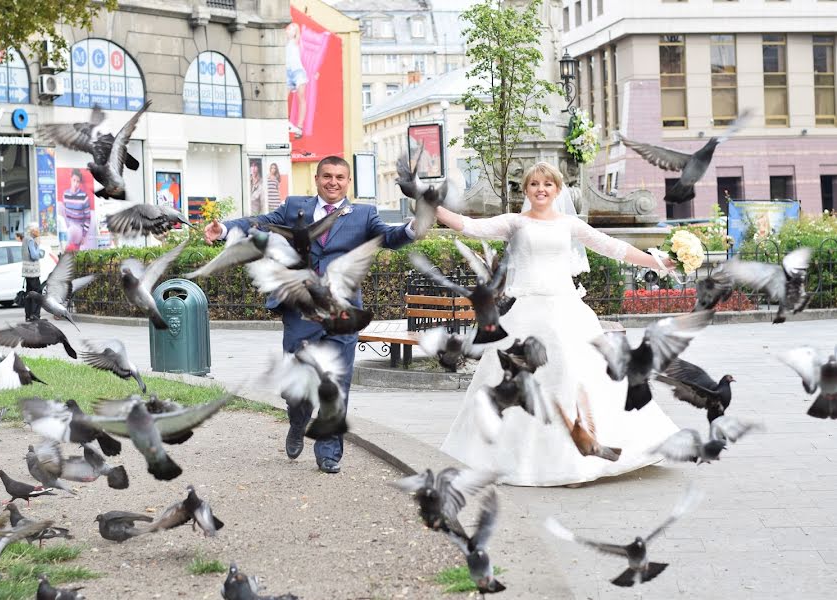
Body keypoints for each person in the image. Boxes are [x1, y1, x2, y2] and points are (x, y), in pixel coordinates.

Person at [435, 161, 680, 487]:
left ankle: (579, 459)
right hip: (528, 313)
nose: (541, 190)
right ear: (526, 190)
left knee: (576, 376)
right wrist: (431, 206)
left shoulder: (569, 224)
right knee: (514, 380)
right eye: (534, 184)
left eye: (547, 185)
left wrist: (655, 261)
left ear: (557, 189)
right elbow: (469, 226)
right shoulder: (515, 223)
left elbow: (612, 247)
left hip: (566, 310)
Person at [204, 156, 415, 474]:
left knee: (338, 382)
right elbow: (259, 222)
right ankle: (298, 418)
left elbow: (390, 237)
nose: (333, 182)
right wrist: (224, 230)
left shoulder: (364, 214)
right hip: (300, 308)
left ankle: (328, 452)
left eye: (340, 177)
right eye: (327, 176)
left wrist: (413, 227)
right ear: (316, 179)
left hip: (342, 312)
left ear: (348, 182)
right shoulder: (293, 207)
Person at [285, 22, 308, 139]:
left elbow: (297, 31)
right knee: (283, 98)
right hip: (287, 73)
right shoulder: (284, 43)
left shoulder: (295, 42)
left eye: (292, 29)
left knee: (301, 98)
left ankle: (299, 126)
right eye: (289, 29)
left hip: (297, 71)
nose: (289, 31)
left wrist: (295, 27)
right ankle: (285, 120)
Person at [62, 169, 90, 252]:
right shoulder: (65, 194)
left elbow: (88, 218)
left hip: (79, 228)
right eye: (74, 180)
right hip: (68, 227)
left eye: (78, 181)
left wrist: (84, 236)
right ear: (70, 179)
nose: (75, 184)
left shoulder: (84, 196)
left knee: (76, 254)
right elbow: (64, 214)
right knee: (66, 250)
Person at [22, 223, 45, 321]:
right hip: (33, 271)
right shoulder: (31, 240)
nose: (38, 232)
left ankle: (28, 315)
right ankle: (35, 315)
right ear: (32, 231)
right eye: (37, 230)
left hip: (27, 271)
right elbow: (34, 256)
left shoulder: (25, 239)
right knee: (36, 293)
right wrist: (38, 247)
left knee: (29, 293)